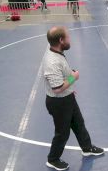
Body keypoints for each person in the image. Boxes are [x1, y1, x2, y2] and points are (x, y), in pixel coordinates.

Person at [43, 26, 104, 171]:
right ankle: (53, 159)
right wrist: (73, 78)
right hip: (59, 102)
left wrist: (69, 89)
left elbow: (61, 81)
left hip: (67, 97)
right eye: (68, 37)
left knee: (78, 123)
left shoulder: (56, 50)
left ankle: (87, 148)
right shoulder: (52, 62)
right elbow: (57, 88)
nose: (70, 40)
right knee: (62, 133)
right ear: (61, 40)